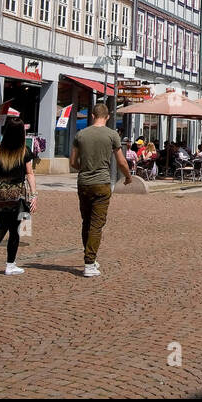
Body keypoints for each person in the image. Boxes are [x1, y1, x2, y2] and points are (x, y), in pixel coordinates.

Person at [70, 102, 132, 278]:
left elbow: (73, 162)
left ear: (92, 116)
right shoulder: (112, 135)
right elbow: (121, 161)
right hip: (102, 183)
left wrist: (85, 168)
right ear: (108, 117)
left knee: (86, 221)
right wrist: (127, 177)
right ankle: (89, 263)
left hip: (83, 183)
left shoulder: (80, 134)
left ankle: (89, 256)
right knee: (97, 224)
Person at [0, 116, 36, 276]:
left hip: (0, 192)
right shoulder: (24, 151)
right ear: (21, 133)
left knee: (1, 227)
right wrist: (34, 195)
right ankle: (10, 265)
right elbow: (30, 174)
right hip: (17, 194)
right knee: (15, 230)